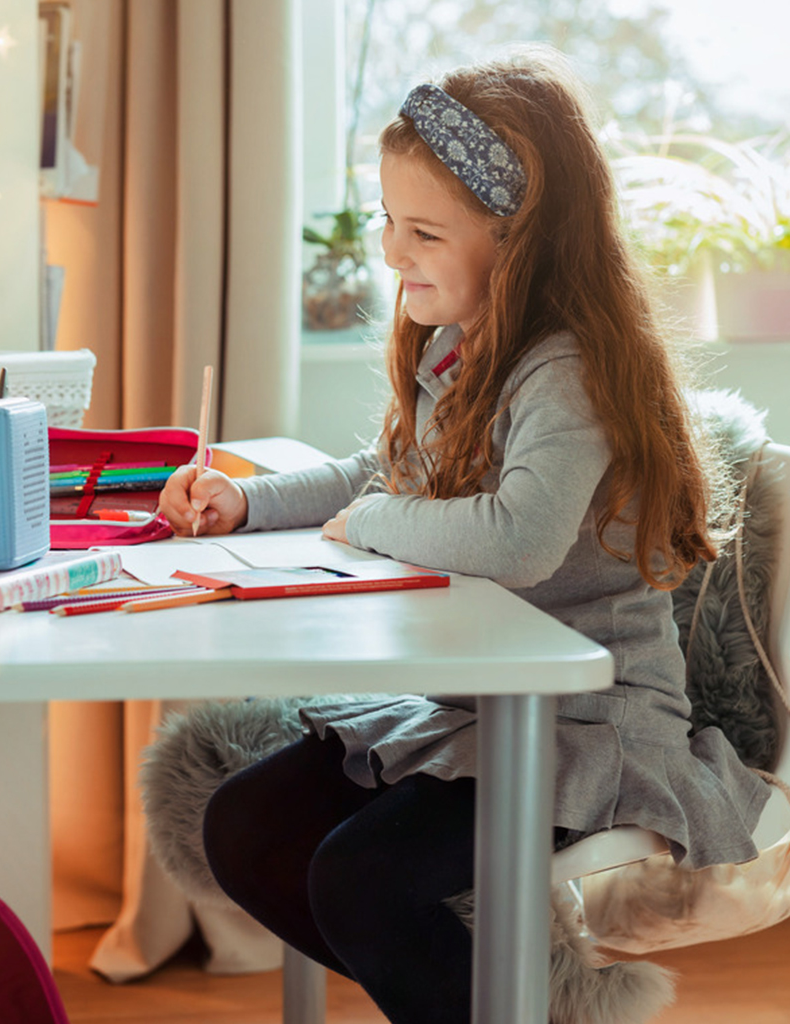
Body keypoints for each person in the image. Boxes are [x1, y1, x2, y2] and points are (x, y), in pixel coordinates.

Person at [158, 46, 769, 1024]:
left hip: (582, 721)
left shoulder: (562, 370)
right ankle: (492, 1000)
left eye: (423, 233)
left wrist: (369, 527)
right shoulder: (464, 351)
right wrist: (245, 500)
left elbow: (517, 536)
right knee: (246, 825)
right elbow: (379, 473)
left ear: (516, 243)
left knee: (363, 880)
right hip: (475, 709)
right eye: (390, 224)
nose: (393, 254)